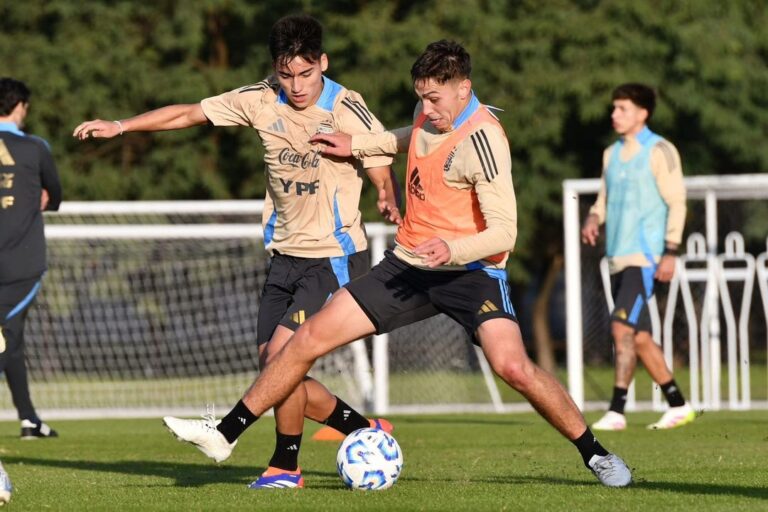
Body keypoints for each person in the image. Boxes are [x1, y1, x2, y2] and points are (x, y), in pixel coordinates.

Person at [161, 40, 632, 488]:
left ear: (463, 88)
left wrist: (452, 248)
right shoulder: (428, 112)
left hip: (471, 273)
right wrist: (361, 145)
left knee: (514, 368)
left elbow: (505, 232)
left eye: (435, 98)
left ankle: (595, 452)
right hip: (406, 267)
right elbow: (413, 136)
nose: (427, 109)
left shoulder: (485, 141)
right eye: (421, 98)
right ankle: (225, 435)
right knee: (305, 340)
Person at [74, 15, 410, 489]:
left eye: (306, 74)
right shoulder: (258, 98)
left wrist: (385, 193)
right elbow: (188, 113)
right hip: (284, 258)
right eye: (286, 74)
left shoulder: (348, 108)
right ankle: (363, 430)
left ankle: (283, 466)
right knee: (275, 372)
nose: (295, 85)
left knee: (282, 356)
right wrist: (121, 125)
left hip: (333, 257)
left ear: (323, 64)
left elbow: (378, 155)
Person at [581, 83, 695, 431]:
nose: (614, 114)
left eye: (622, 109)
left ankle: (617, 410)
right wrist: (593, 217)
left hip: (644, 257)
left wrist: (670, 251)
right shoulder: (611, 154)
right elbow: (602, 198)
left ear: (642, 113)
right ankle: (678, 404)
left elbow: (677, 202)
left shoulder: (660, 150)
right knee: (640, 336)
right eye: (614, 108)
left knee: (620, 327)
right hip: (616, 256)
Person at [0, 77, 61, 440]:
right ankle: (30, 420)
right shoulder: (35, 148)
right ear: (20, 106)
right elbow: (55, 195)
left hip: (15, 266)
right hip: (21, 265)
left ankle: (29, 420)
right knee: (8, 336)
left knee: (12, 337)